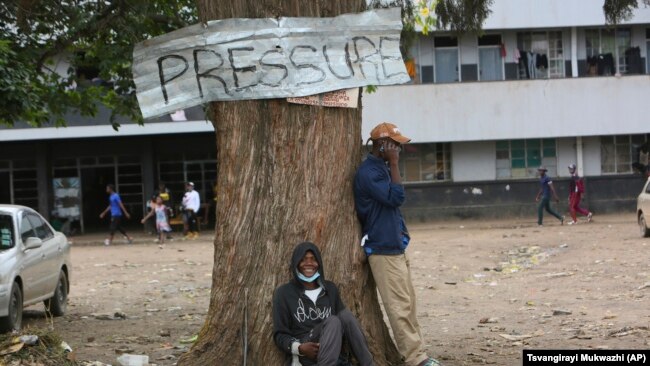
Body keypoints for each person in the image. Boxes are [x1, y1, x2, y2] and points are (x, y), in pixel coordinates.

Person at [353, 122, 440, 366]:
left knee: (409, 304)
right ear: (382, 145)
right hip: (382, 249)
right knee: (399, 308)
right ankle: (416, 360)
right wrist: (393, 163)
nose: (398, 150)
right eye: (395, 145)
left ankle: (420, 353)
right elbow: (396, 197)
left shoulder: (380, 169)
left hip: (394, 245)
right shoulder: (369, 173)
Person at [272, 242, 375, 366]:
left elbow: (344, 325)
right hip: (305, 350)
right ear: (296, 263)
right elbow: (280, 334)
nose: (309, 263)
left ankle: (368, 364)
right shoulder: (284, 293)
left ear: (319, 263)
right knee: (333, 321)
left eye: (313, 259)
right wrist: (299, 348)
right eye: (303, 259)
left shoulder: (330, 289)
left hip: (331, 349)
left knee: (345, 316)